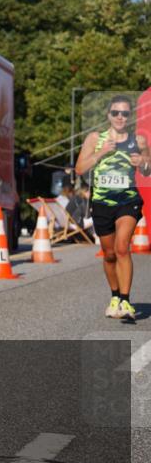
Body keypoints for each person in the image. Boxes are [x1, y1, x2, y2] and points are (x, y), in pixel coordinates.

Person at [75, 95, 151, 320]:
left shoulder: (138, 140)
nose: (120, 117)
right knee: (109, 255)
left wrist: (143, 163)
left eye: (125, 113)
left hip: (127, 201)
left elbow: (148, 171)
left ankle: (126, 302)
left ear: (130, 117)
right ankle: (115, 296)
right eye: (116, 113)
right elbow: (80, 168)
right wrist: (100, 153)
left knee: (121, 248)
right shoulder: (95, 138)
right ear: (108, 115)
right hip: (102, 203)